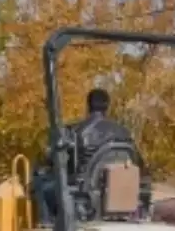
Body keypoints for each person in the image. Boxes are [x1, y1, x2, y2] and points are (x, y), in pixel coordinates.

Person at [32, 88, 135, 223]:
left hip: (84, 190)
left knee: (40, 184)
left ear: (88, 106)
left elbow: (56, 160)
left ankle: (48, 226)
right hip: (115, 188)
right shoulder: (124, 132)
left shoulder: (77, 131)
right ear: (107, 106)